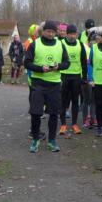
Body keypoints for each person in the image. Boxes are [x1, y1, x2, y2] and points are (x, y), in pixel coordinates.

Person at [23, 20, 70, 153]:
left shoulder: (60, 44)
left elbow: (67, 63)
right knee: (36, 113)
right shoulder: (35, 44)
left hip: (54, 84)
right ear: (43, 31)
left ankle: (52, 140)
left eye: (53, 32)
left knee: (54, 114)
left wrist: (58, 66)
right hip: (38, 83)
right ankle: (35, 139)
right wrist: (40, 68)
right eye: (48, 31)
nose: (50, 34)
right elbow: (27, 63)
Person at [59, 24, 87, 136]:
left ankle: (74, 124)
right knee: (63, 101)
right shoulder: (61, 43)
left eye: (74, 34)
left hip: (76, 76)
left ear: (76, 34)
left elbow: (84, 62)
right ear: (66, 34)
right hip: (63, 76)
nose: (72, 36)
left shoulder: (80, 44)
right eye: (70, 34)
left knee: (75, 101)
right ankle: (63, 124)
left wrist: (84, 77)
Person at [80, 18, 96, 128]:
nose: (94, 42)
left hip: (97, 78)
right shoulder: (84, 48)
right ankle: (85, 119)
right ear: (89, 40)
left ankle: (93, 119)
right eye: (92, 40)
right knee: (86, 100)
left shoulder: (99, 49)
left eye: (95, 40)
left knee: (94, 100)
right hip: (85, 78)